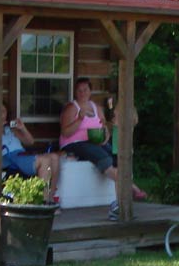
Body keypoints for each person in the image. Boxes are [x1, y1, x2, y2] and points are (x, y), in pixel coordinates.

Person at [59, 77, 146, 219]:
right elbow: (65, 132)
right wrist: (80, 119)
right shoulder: (71, 108)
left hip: (95, 142)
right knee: (104, 157)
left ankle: (123, 194)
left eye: (85, 89)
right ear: (75, 92)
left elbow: (104, 127)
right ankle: (128, 188)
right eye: (79, 90)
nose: (82, 93)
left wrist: (104, 138)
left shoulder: (96, 108)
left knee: (115, 154)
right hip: (74, 143)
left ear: (90, 91)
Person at [0, 103, 60, 203]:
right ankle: (43, 201)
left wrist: (22, 128)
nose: (1, 114)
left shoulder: (11, 129)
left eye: (4, 111)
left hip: (22, 155)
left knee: (54, 157)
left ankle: (51, 196)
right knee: (45, 161)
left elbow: (30, 141)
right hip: (8, 158)